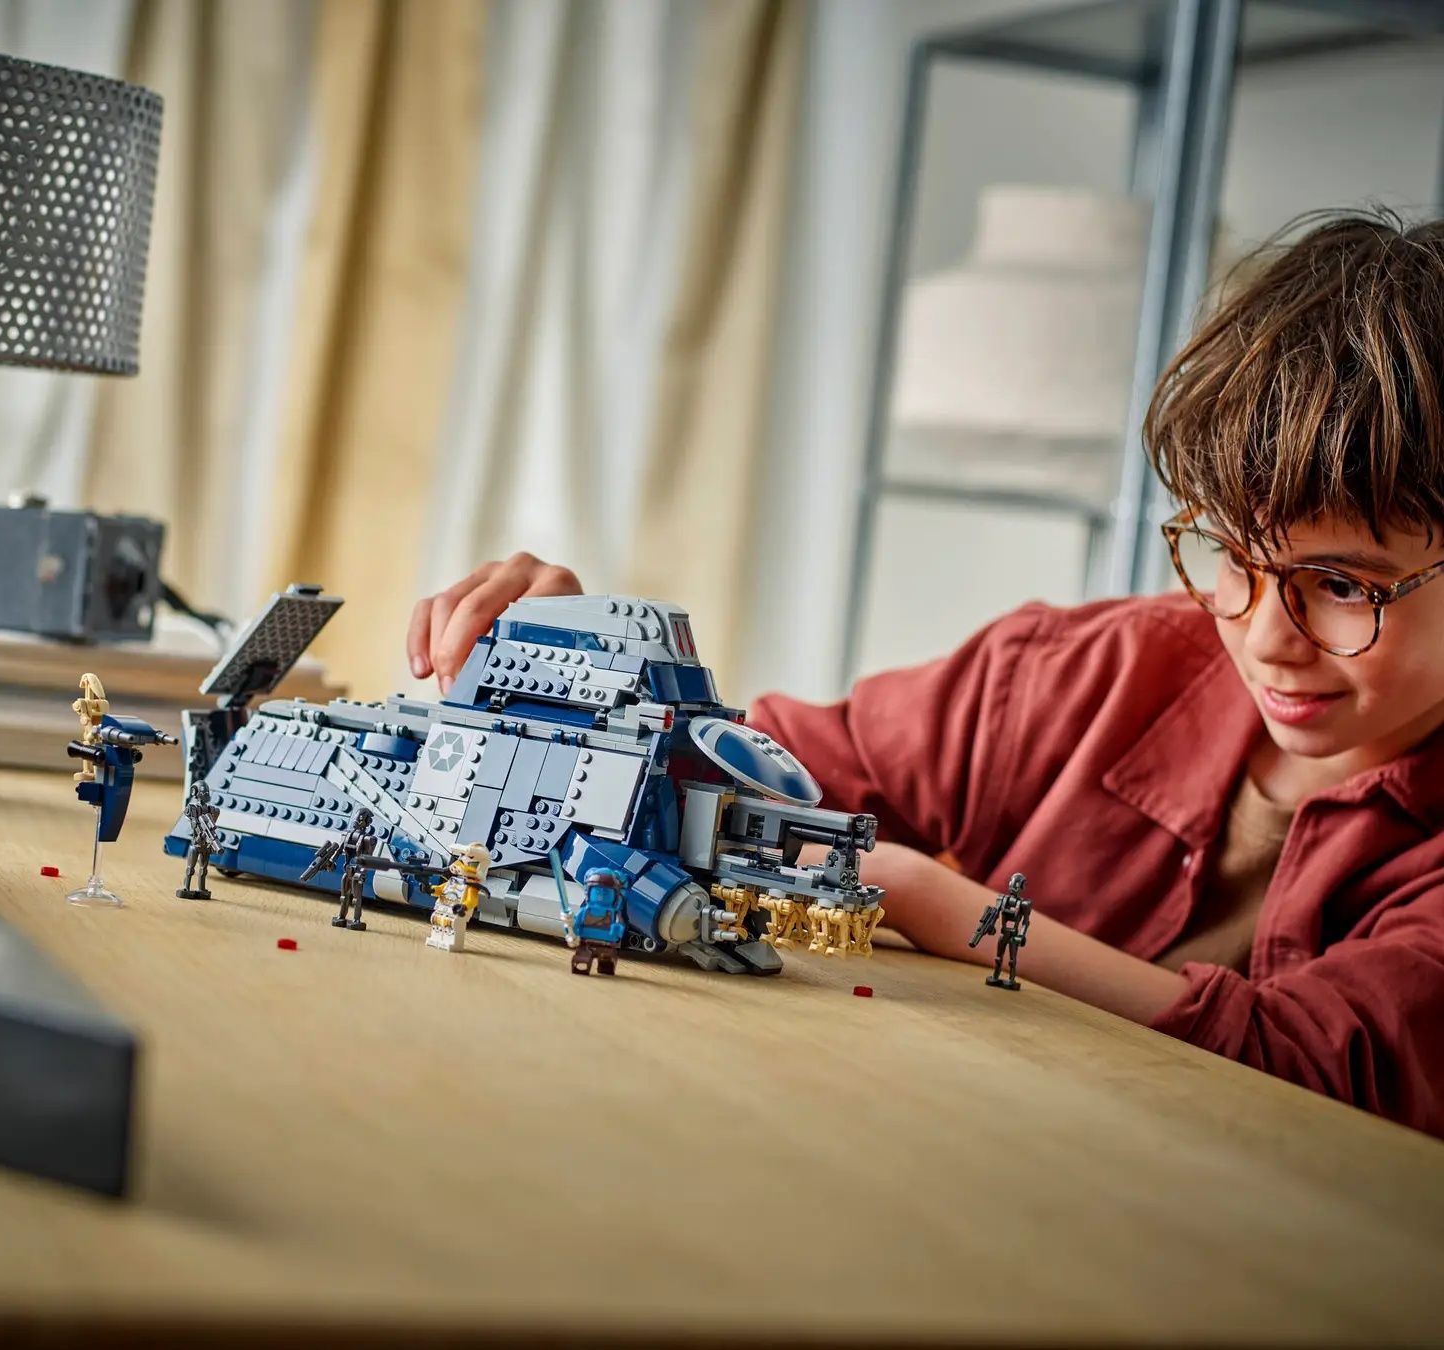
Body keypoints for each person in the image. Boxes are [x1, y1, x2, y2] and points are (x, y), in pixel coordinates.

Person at [404, 211, 1444, 1137]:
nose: (1265, 636)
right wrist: (592, 679)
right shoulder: (1084, 672)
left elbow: (1310, 1078)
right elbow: (754, 778)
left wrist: (942, 906)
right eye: (1232, 557)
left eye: (1341, 585)